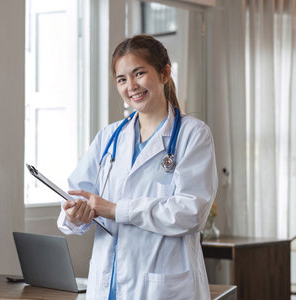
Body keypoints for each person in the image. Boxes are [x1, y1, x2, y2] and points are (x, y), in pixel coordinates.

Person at [57, 35, 218, 300]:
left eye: (139, 73)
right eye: (121, 79)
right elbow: (78, 196)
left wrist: (116, 210)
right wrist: (74, 215)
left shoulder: (193, 135)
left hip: (162, 288)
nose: (131, 86)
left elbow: (191, 213)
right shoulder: (109, 137)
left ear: (164, 72)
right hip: (107, 285)